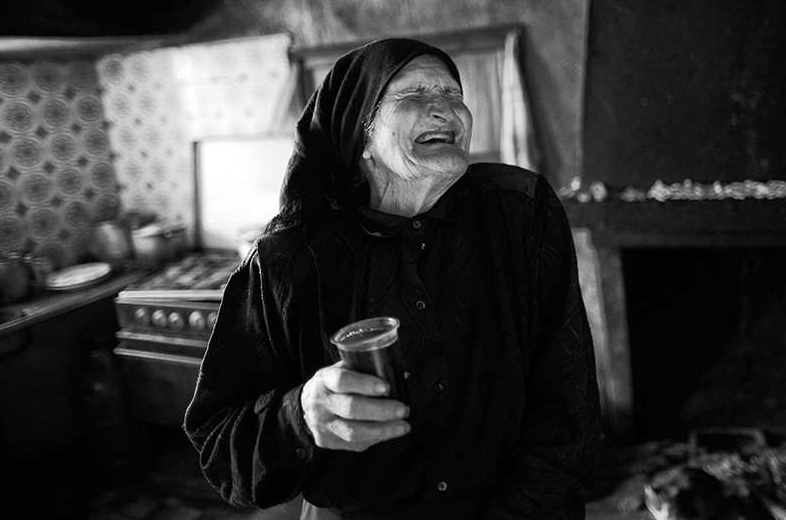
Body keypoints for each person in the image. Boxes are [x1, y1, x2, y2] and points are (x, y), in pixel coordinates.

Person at [184, 37, 600, 519]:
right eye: (414, 96)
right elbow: (220, 444)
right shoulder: (290, 262)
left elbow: (566, 396)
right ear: (358, 137)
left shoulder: (519, 213)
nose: (446, 111)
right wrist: (301, 416)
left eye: (453, 95)